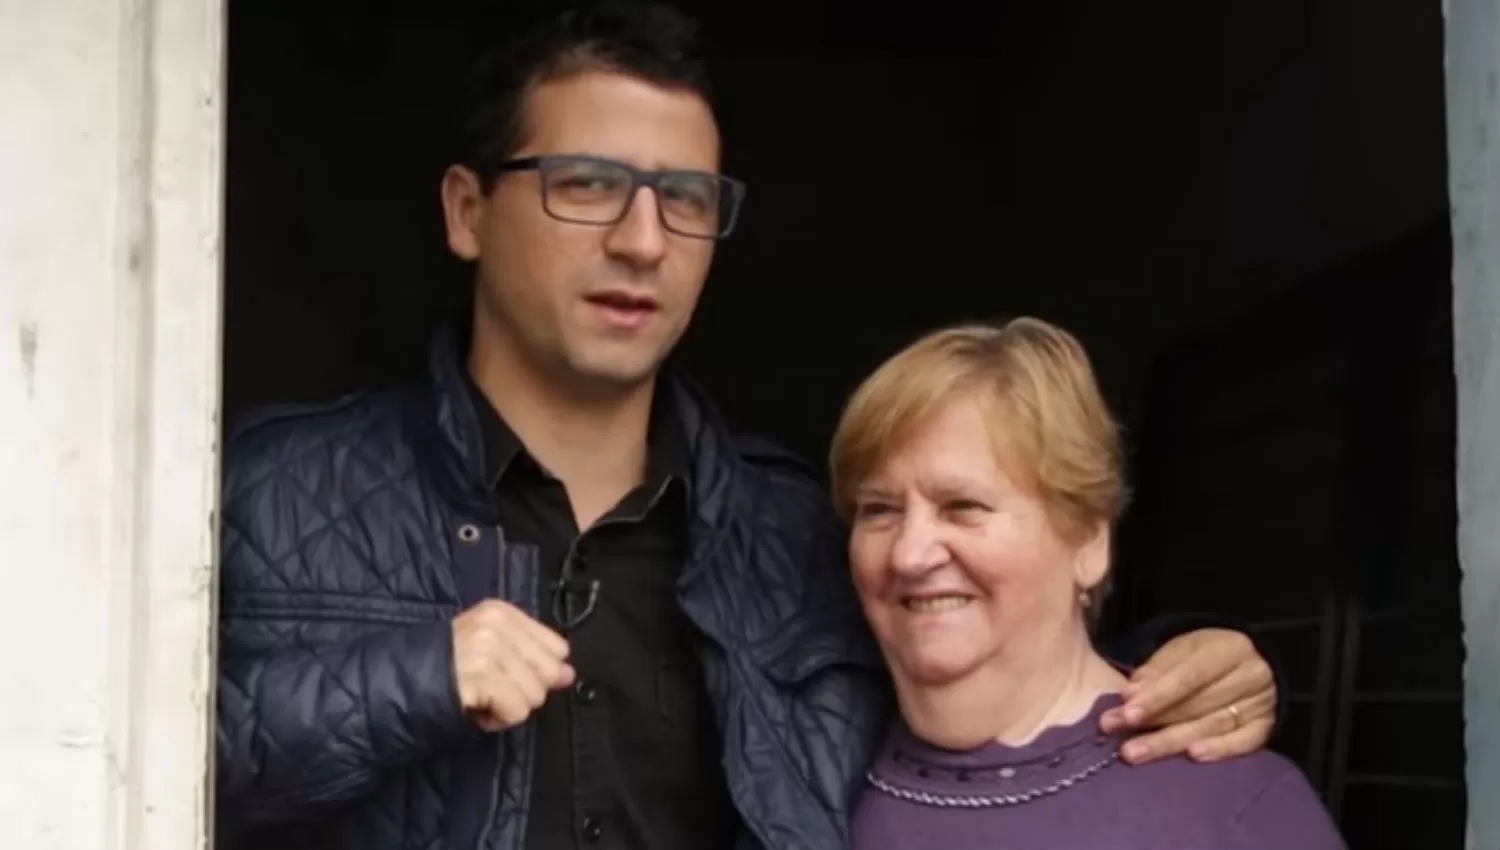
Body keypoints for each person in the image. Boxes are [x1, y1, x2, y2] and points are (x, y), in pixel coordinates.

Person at [214, 4, 1281, 850]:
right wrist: (418, 679)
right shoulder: (270, 488)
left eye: (684, 199)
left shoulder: (796, 530)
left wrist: (1179, 673)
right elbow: (98, 754)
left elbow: (988, 657)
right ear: (466, 211)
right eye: (588, 185)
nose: (643, 241)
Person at [834, 318, 1344, 849]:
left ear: (1089, 542)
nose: (909, 554)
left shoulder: (1243, 807)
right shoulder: (803, 780)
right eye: (879, 510)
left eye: (963, 506)